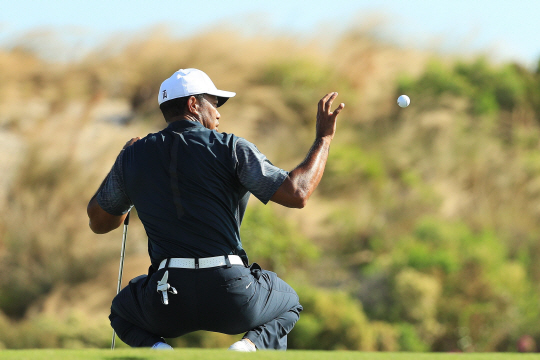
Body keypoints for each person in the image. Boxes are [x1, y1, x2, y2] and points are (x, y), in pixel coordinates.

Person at [87, 68, 345, 351]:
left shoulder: (134, 156)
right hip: (231, 294)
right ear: (193, 104)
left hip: (167, 298)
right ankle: (247, 349)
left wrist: (125, 162)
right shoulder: (232, 148)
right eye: (215, 103)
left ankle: (159, 353)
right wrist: (323, 139)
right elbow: (297, 193)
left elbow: (100, 222)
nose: (219, 113)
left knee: (122, 312)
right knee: (288, 303)